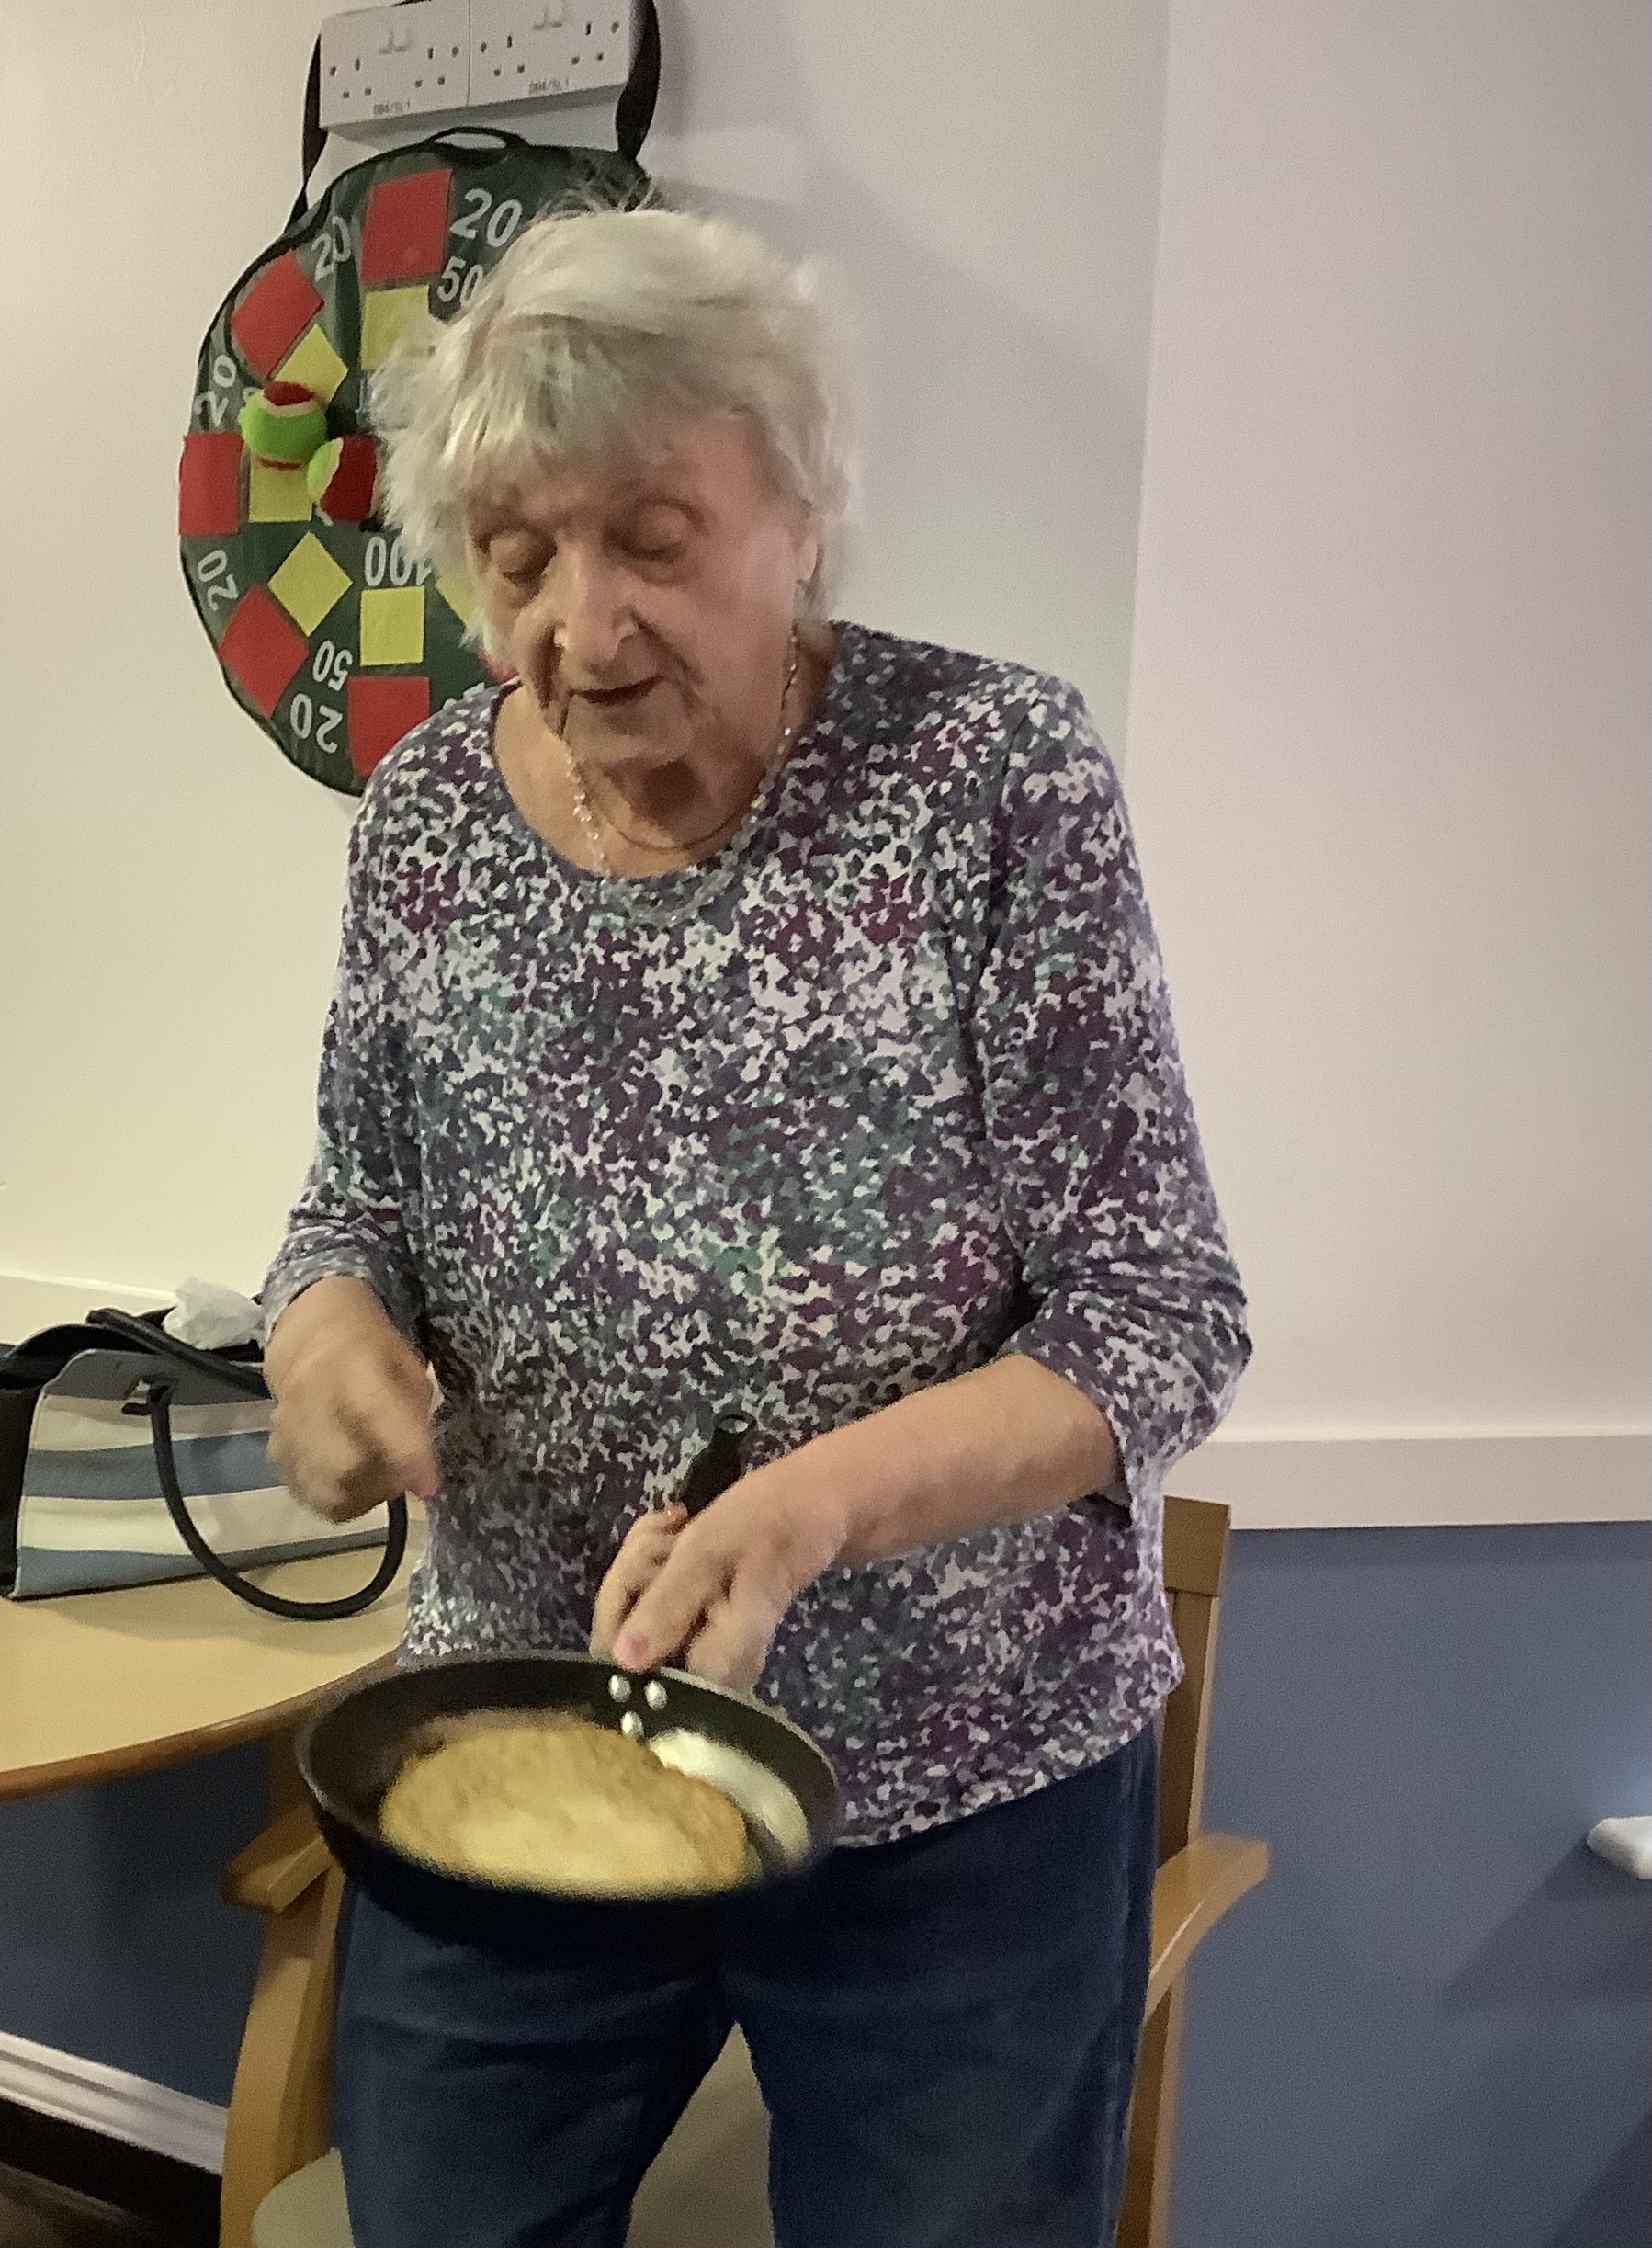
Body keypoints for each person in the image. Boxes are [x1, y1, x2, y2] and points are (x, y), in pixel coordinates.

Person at [262, 206, 1250, 2248]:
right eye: (517, 556)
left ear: (804, 520)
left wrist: (802, 1512)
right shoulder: (427, 814)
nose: (580, 623)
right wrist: (324, 1334)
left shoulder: (989, 776)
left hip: (951, 1793)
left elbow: (1155, 1315)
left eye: (655, 535)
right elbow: (349, 1197)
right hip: (516, 1741)